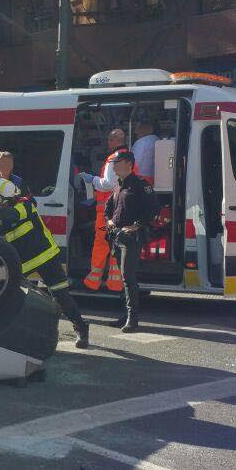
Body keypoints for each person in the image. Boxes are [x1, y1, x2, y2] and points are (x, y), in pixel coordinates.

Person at [0, 178, 89, 349]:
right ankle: (9, 335)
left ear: (10, 198)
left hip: (46, 258)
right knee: (13, 299)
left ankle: (81, 328)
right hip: (22, 265)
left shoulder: (25, 206)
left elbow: (11, 215)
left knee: (61, 296)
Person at [104, 150, 157, 331]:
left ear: (128, 163)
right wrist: (109, 221)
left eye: (117, 163)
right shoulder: (118, 186)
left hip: (131, 239)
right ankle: (125, 316)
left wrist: (137, 226)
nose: (114, 166)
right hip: (117, 237)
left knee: (128, 277)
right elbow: (108, 208)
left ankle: (132, 320)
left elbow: (153, 209)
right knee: (123, 277)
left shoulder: (140, 185)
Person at [78, 128, 128, 291]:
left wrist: (92, 179)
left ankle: (93, 281)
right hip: (122, 208)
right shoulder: (129, 157)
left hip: (107, 211)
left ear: (114, 140)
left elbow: (108, 184)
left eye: (109, 140)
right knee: (117, 245)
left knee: (101, 245)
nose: (107, 143)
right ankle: (115, 283)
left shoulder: (114, 158)